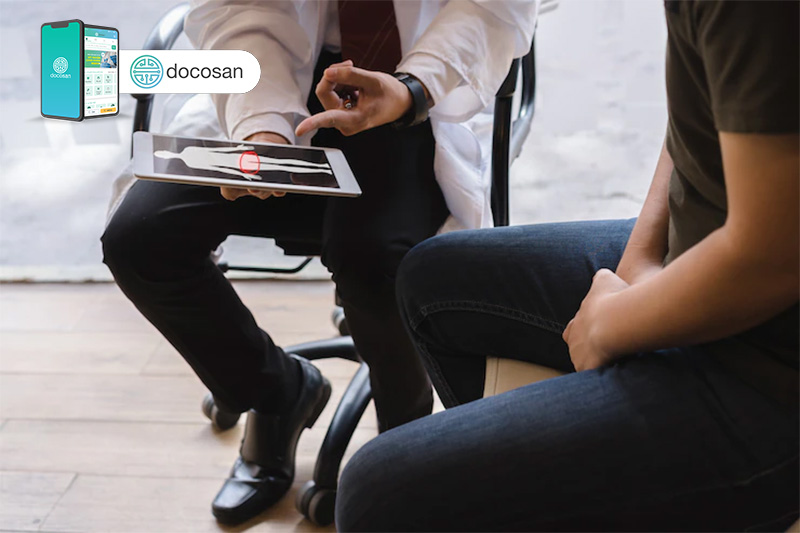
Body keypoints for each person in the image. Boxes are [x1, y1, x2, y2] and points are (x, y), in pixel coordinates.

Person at [335, 1, 799, 530]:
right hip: (714, 247)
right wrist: (637, 266)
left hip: (769, 362)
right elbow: (700, 118)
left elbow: (774, 256)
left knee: (376, 494)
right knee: (432, 282)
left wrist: (611, 325)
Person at [101, 0, 538, 525]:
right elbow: (241, 8)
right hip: (272, 70)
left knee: (373, 254)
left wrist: (413, 89)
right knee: (141, 238)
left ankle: (406, 443)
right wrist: (262, 126)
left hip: (414, 79)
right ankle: (278, 393)